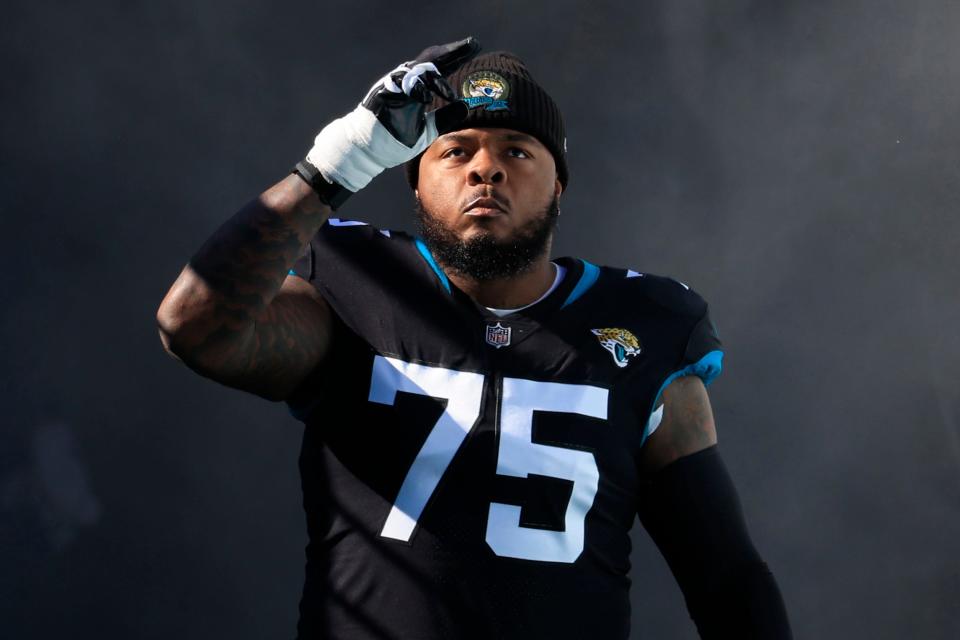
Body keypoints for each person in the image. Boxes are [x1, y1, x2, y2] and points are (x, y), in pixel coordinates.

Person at [157, 38, 791, 640]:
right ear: (413, 175)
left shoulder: (646, 326)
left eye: (517, 150)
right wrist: (336, 163)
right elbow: (192, 326)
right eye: (456, 150)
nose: (485, 169)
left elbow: (726, 577)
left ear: (559, 183)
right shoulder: (353, 284)